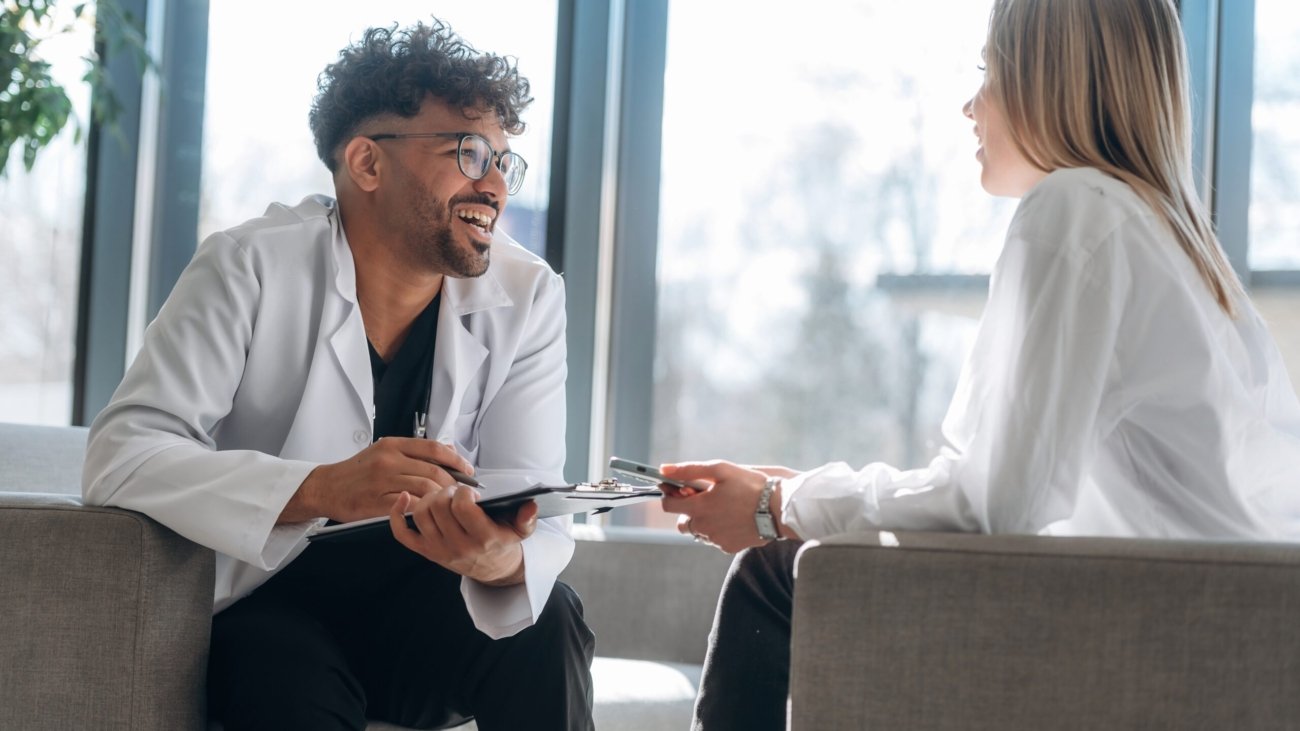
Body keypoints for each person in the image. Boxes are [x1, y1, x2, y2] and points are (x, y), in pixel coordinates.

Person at [658, 0, 1300, 729]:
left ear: (1051, 79)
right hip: (1236, 626)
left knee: (772, 577)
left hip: (1162, 627)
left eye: (990, 70)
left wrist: (781, 508)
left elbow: (995, 505)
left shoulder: (1075, 209)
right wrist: (803, 494)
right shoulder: (1182, 248)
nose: (971, 104)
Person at [82, 18, 594, 731]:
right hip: (268, 605)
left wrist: (500, 559)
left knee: (547, 616)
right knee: (278, 677)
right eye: (470, 152)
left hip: (423, 609)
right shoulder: (250, 265)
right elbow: (121, 456)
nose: (495, 186)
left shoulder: (529, 294)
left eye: (506, 163)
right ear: (367, 163)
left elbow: (526, 501)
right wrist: (321, 487)